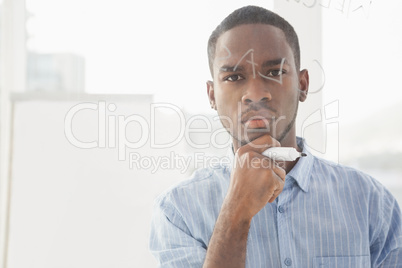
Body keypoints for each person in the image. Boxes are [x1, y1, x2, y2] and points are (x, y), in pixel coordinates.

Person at [149, 5, 402, 268]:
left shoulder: (372, 203)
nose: (255, 93)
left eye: (274, 72)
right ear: (212, 96)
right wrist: (236, 210)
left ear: (302, 85)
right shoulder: (177, 212)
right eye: (234, 76)